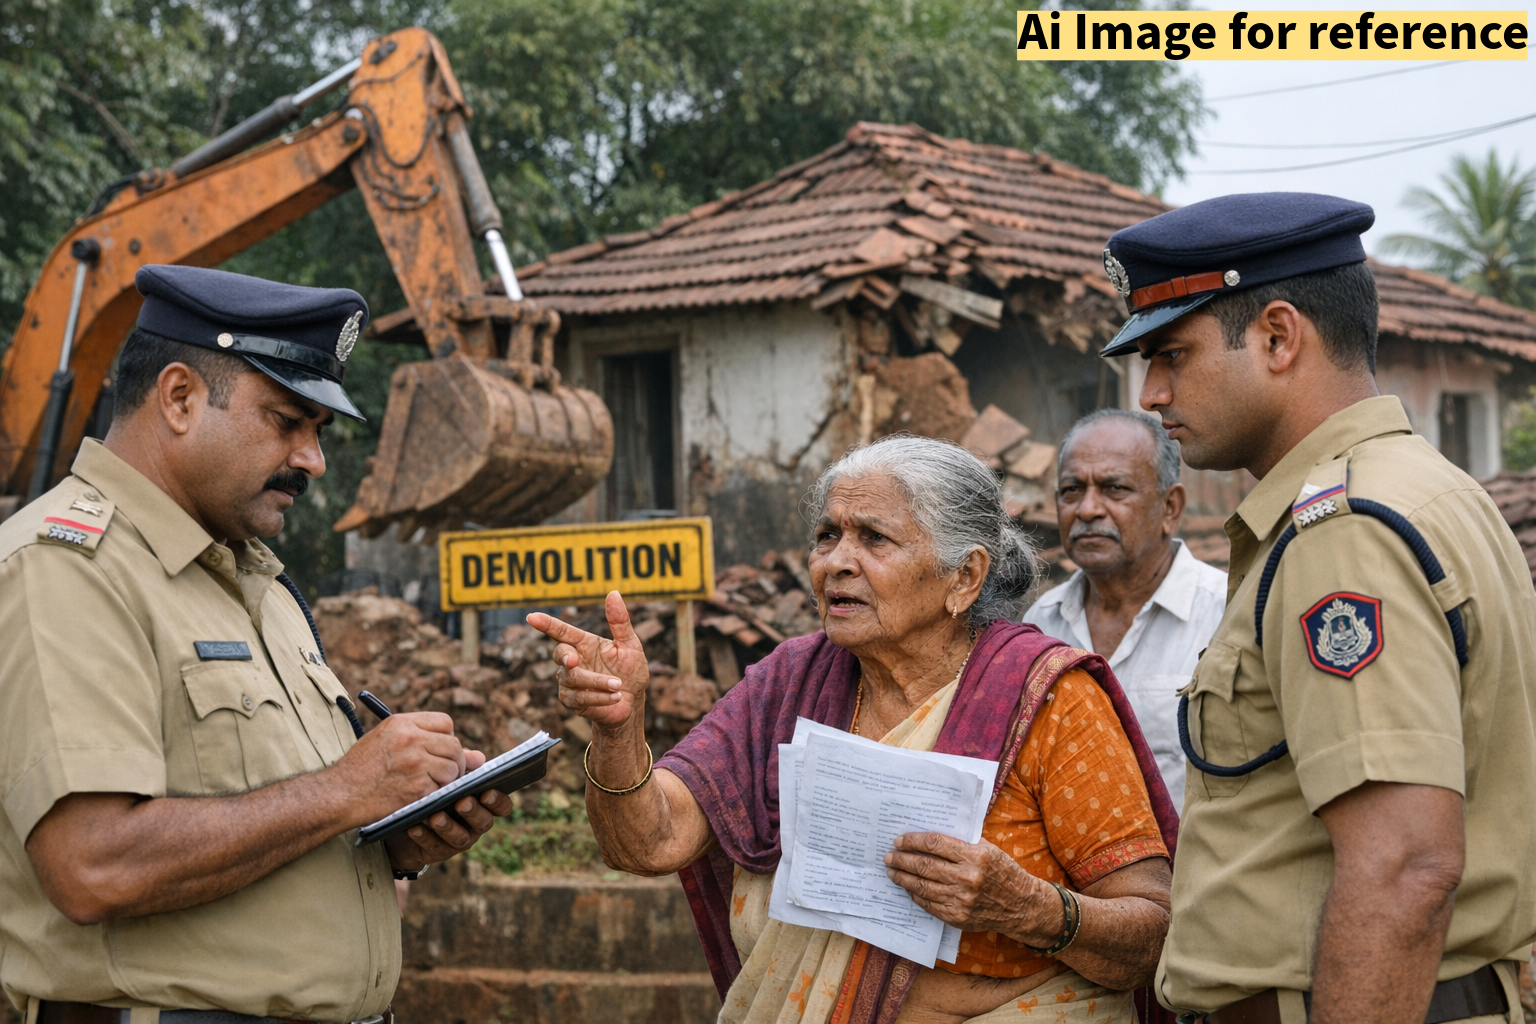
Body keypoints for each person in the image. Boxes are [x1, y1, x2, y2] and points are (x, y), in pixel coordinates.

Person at [0, 266, 512, 1024]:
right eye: (286, 421)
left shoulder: (255, 585)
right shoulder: (67, 567)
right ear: (179, 398)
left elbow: (270, 819)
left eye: (319, 430)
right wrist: (348, 789)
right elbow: (92, 865)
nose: (314, 460)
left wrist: (393, 834)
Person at [529, 435, 1180, 1024]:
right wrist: (619, 730)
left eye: (874, 538)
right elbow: (650, 843)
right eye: (826, 535)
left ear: (966, 577)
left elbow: (1150, 933)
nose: (836, 562)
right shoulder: (790, 683)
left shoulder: (1046, 699)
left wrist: (1029, 907)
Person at [1097, 193, 1536, 1024]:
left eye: (1172, 354)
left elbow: (1405, 864)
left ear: (1277, 336)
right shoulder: (1430, 489)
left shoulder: (1346, 533)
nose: (1151, 393)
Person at [1024, 409, 1226, 807]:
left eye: (1114, 488)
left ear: (1170, 508)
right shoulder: (1040, 624)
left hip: (1187, 867)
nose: (1087, 510)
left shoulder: (1225, 615)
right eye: (1071, 490)